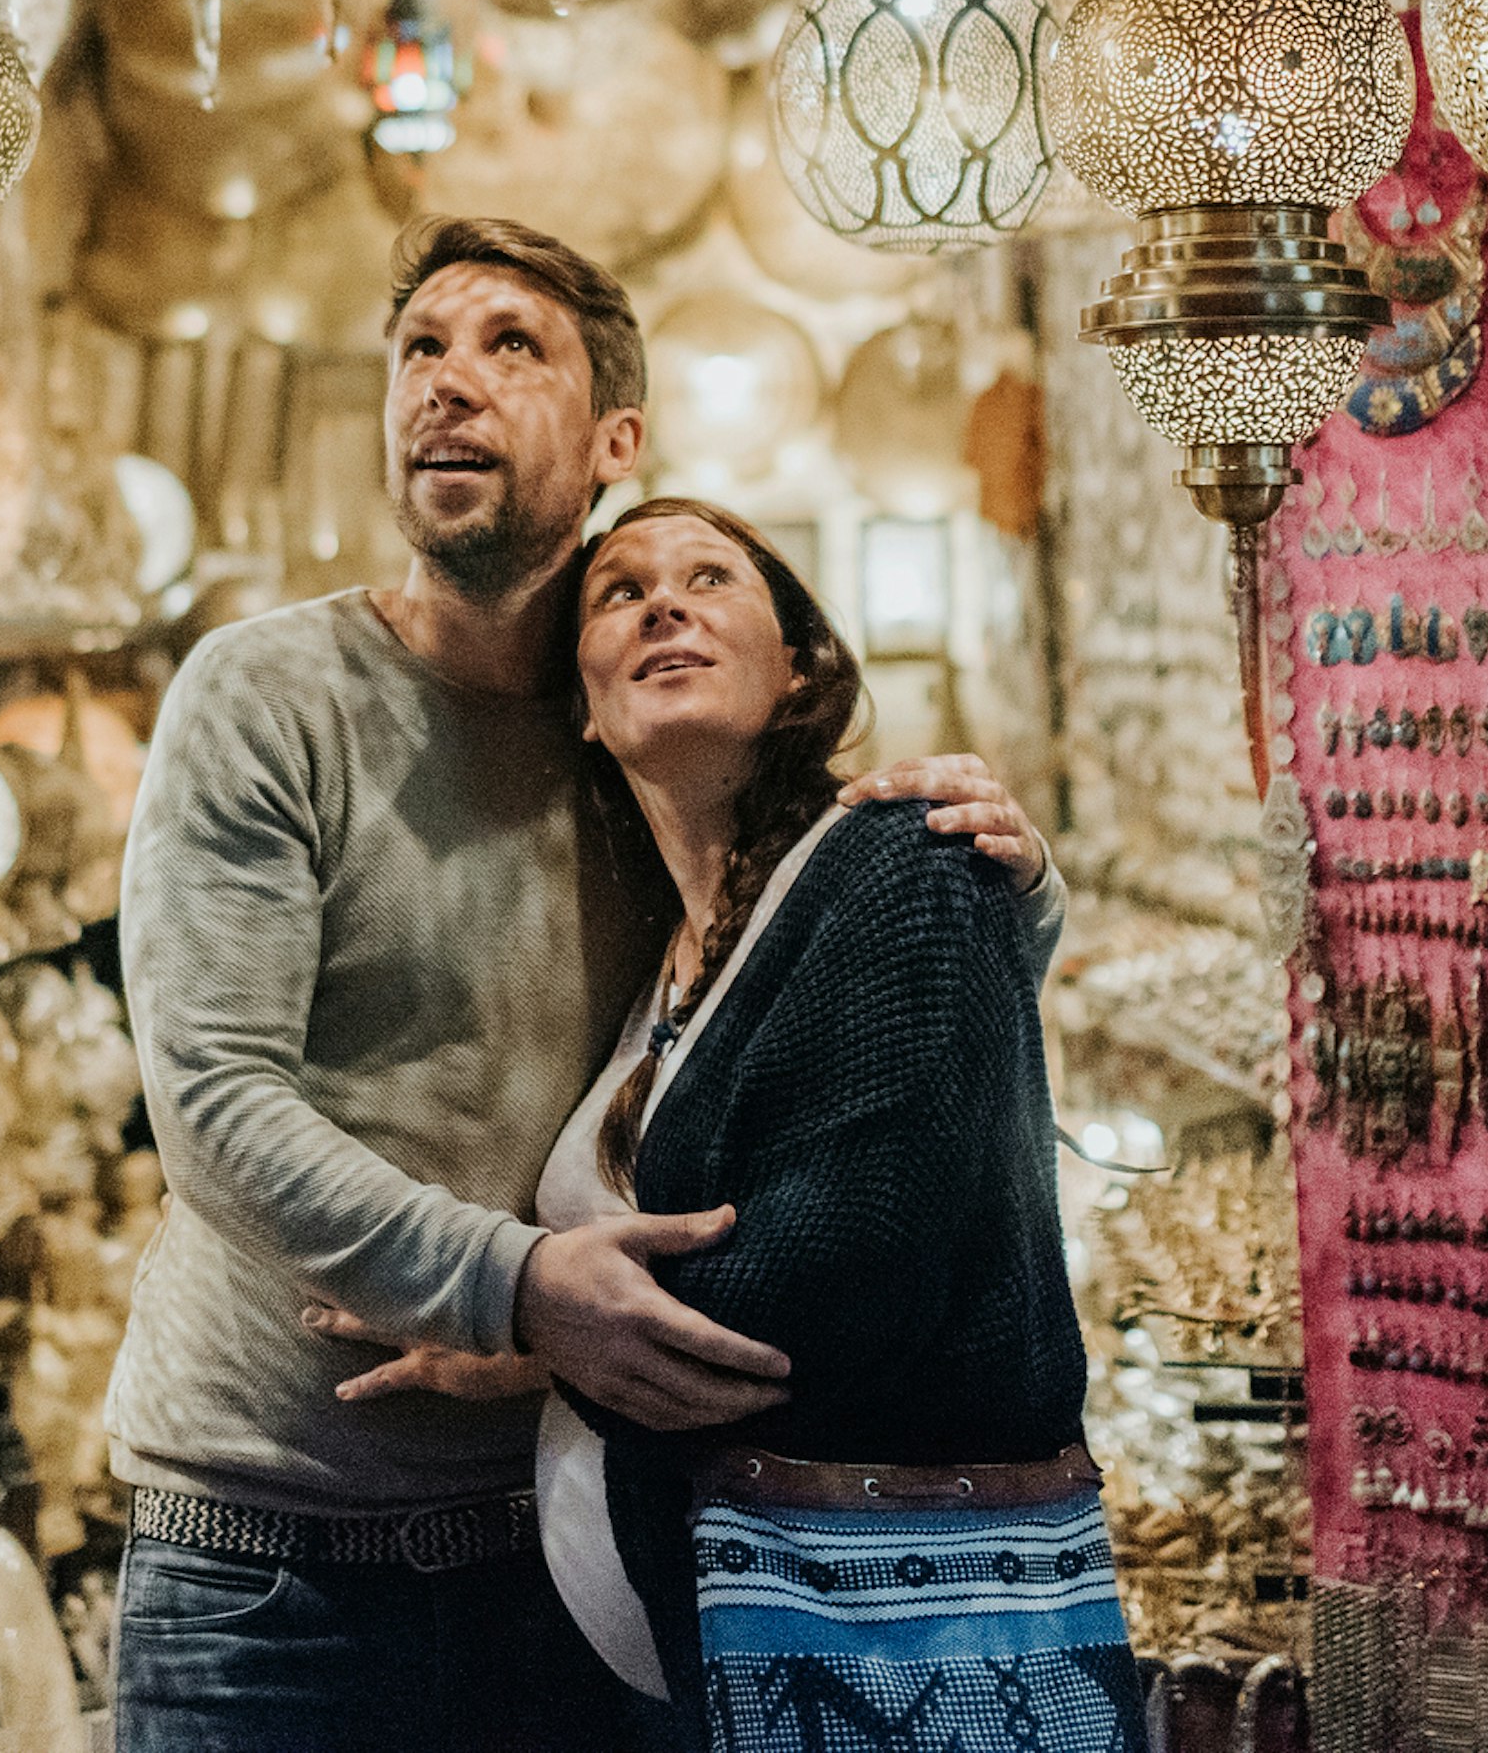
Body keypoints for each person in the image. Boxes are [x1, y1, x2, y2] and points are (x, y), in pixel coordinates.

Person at [106, 215, 1055, 1753]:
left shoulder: (641, 726)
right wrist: (522, 1286)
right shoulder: (268, 695)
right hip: (268, 1566)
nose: (448, 384)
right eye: (420, 349)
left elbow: (830, 975)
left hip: (574, 1551)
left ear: (617, 432)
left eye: (509, 347)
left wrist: (1015, 878)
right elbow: (212, 1099)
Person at [327, 499, 1129, 1750]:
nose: (663, 601)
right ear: (583, 706)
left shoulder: (898, 857)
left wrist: (533, 1334)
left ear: (799, 663)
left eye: (711, 576)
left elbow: (843, 1275)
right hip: (708, 1660)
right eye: (618, 591)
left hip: (889, 1658)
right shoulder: (657, 952)